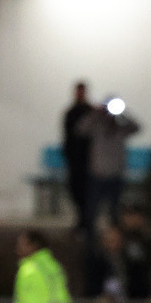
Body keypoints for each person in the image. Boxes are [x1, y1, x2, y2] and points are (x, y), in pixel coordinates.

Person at [75, 99, 140, 237]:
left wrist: (124, 113)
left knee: (115, 212)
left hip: (116, 177)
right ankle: (90, 240)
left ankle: (116, 240)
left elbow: (137, 127)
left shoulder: (122, 128)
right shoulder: (97, 127)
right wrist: (96, 113)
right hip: (98, 176)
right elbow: (80, 129)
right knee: (92, 212)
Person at [62, 81, 92, 232]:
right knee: (76, 191)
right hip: (75, 160)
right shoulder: (71, 113)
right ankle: (82, 220)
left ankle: (85, 221)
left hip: (88, 161)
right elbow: (67, 136)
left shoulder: (90, 112)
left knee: (86, 192)